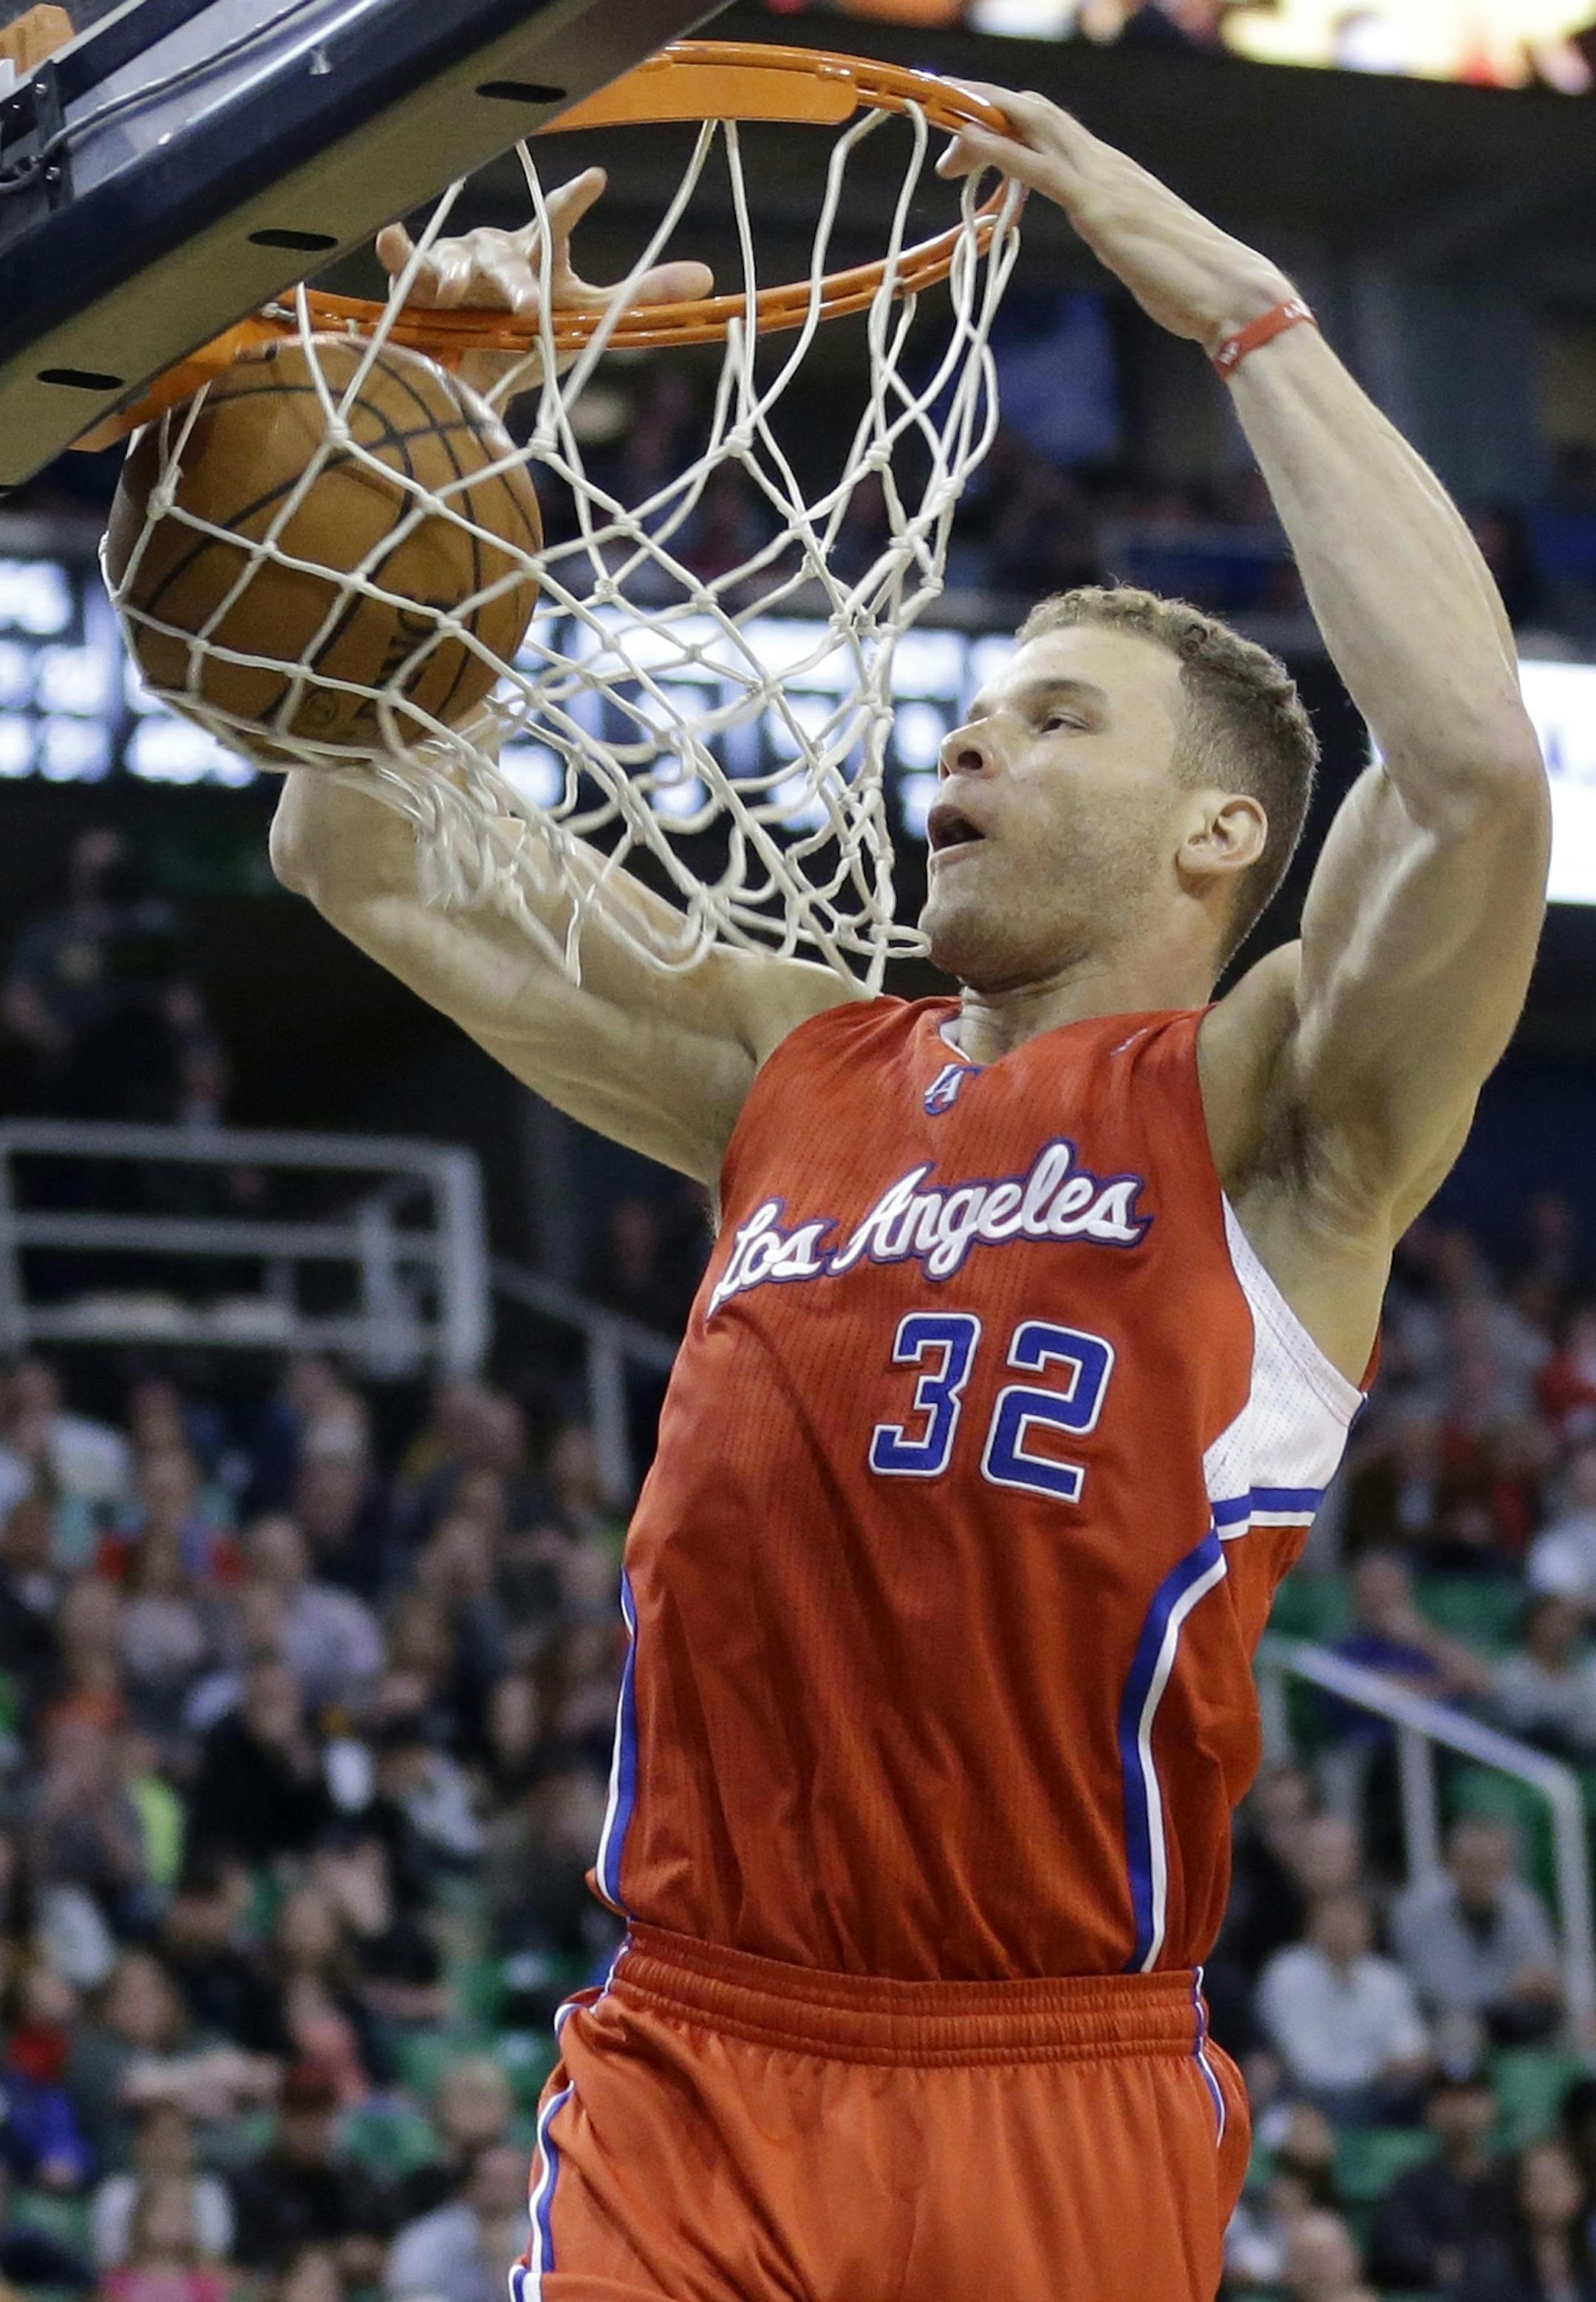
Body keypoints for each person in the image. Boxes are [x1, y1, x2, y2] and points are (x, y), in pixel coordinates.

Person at [268, 81, 1551, 2302]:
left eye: (1057, 723)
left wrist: (1246, 317)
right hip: (695, 2050)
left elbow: (1464, 769)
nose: (968, 744)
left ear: (1220, 841)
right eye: (980, 716)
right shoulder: (798, 1064)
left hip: (1057, 2091)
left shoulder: (1279, 1115)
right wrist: (407, 444)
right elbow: (350, 844)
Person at [1255, 1890, 1430, 2124]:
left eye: (1352, 1922)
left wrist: (1396, 2066)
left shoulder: (1388, 1980)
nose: (1342, 1931)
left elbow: (1410, 2049)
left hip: (1377, 2097)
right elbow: (1306, 2065)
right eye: (1333, 1922)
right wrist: (1376, 2069)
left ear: (1369, 1929)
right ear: (1312, 1927)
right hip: (1304, 2095)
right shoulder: (1287, 1974)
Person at [1391, 1819, 1563, 2050]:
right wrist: (1507, 1987)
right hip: (1438, 2016)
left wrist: (1537, 1984)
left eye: (1494, 1866)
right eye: (1474, 1866)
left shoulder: (1523, 1905)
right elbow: (1437, 1991)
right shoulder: (1419, 1909)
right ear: (1452, 1865)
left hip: (1509, 2011)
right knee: (1459, 2035)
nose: (1484, 1876)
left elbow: (1543, 1972)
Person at [1365, 2068, 1504, 2293]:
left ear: (1492, 2106)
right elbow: (1397, 2249)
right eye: (1449, 2099)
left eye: (1470, 2098)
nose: (1461, 2110)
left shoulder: (1513, 2179)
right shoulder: (1412, 2184)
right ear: (1431, 2110)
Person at [1451, 2138, 1596, 2302]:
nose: (1550, 2190)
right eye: (1539, 2181)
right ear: (1519, 2192)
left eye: (1560, 2177)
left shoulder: (1591, 2250)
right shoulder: (1491, 2263)